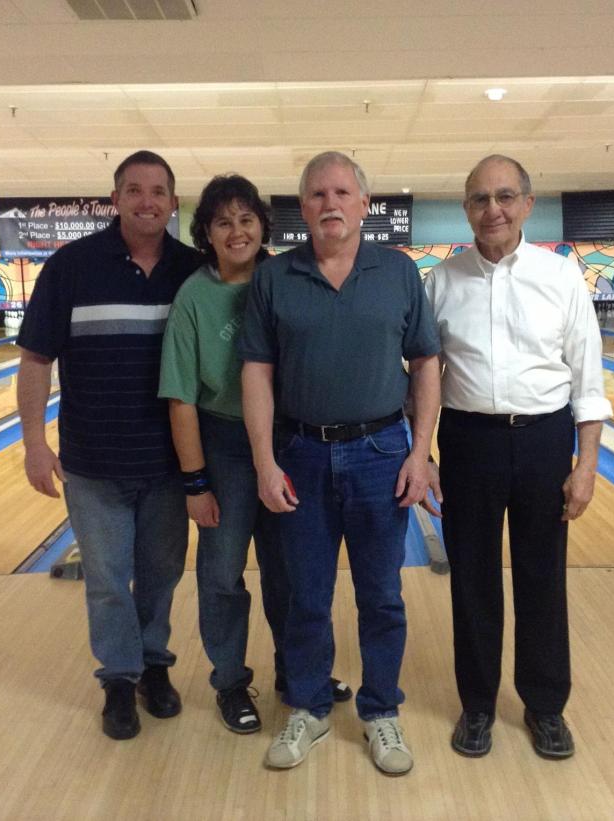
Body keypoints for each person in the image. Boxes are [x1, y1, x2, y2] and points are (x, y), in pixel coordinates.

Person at [238, 151, 441, 775]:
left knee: (382, 595)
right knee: (306, 595)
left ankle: (381, 712)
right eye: (318, 194)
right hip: (300, 452)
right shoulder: (274, 279)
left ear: (363, 204)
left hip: (381, 453)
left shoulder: (398, 272)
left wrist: (420, 452)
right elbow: (256, 373)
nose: (331, 203)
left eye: (342, 192)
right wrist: (265, 462)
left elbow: (427, 363)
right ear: (303, 209)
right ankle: (308, 705)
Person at [423, 154, 613, 760]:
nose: (493, 209)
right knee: (472, 579)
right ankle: (477, 706)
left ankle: (545, 706)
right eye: (480, 199)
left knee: (541, 575)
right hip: (468, 441)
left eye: (504, 197)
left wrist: (585, 466)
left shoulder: (561, 279)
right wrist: (420, 453)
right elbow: (423, 378)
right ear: (466, 210)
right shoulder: (441, 281)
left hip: (543, 440)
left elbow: (588, 380)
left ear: (528, 204)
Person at [16, 150, 202, 741]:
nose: (147, 201)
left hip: (171, 462)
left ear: (174, 203)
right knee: (104, 577)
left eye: (158, 191)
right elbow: (36, 359)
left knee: (161, 574)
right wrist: (34, 445)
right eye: (134, 189)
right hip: (93, 462)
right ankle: (119, 681)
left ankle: (153, 666)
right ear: (115, 198)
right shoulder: (70, 266)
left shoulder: (194, 271)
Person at [158, 174, 352, 735]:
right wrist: (195, 483)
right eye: (223, 222)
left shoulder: (287, 276)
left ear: (263, 226)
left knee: (293, 569)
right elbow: (182, 400)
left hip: (291, 441)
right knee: (221, 573)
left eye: (247, 219)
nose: (237, 231)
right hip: (225, 447)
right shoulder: (194, 297)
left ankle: (302, 673)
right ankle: (230, 682)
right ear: (207, 233)